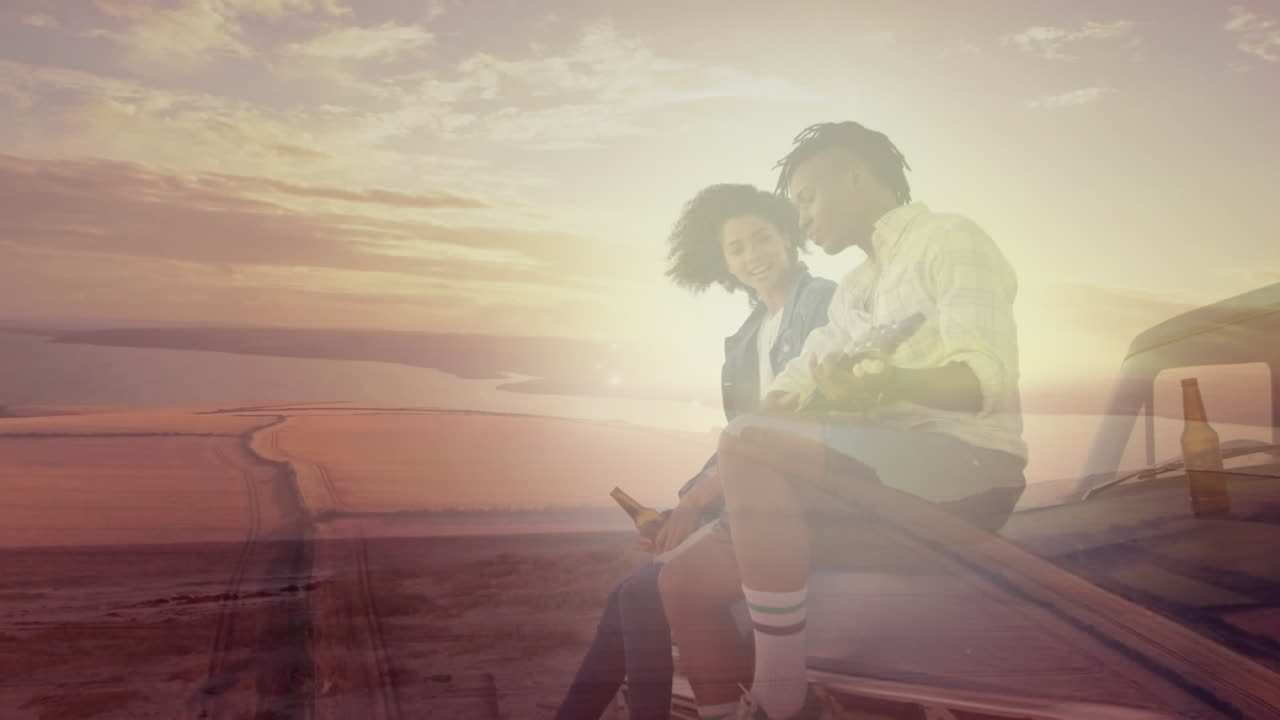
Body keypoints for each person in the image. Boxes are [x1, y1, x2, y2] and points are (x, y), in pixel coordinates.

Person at [658, 122, 1028, 720]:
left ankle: (781, 694)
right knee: (682, 581)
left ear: (856, 176)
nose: (800, 217)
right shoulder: (857, 288)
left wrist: (889, 382)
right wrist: (789, 408)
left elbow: (987, 383)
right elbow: (791, 385)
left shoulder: (949, 237)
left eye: (807, 198)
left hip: (969, 467)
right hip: (882, 477)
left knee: (748, 441)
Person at [554, 184, 837, 720]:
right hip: (751, 497)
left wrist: (698, 502)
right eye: (736, 248)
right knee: (629, 591)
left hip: (802, 496)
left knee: (642, 593)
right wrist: (684, 508)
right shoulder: (745, 339)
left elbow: (795, 427)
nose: (753, 255)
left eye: (762, 238)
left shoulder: (822, 302)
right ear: (723, 263)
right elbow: (738, 440)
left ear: (788, 237)